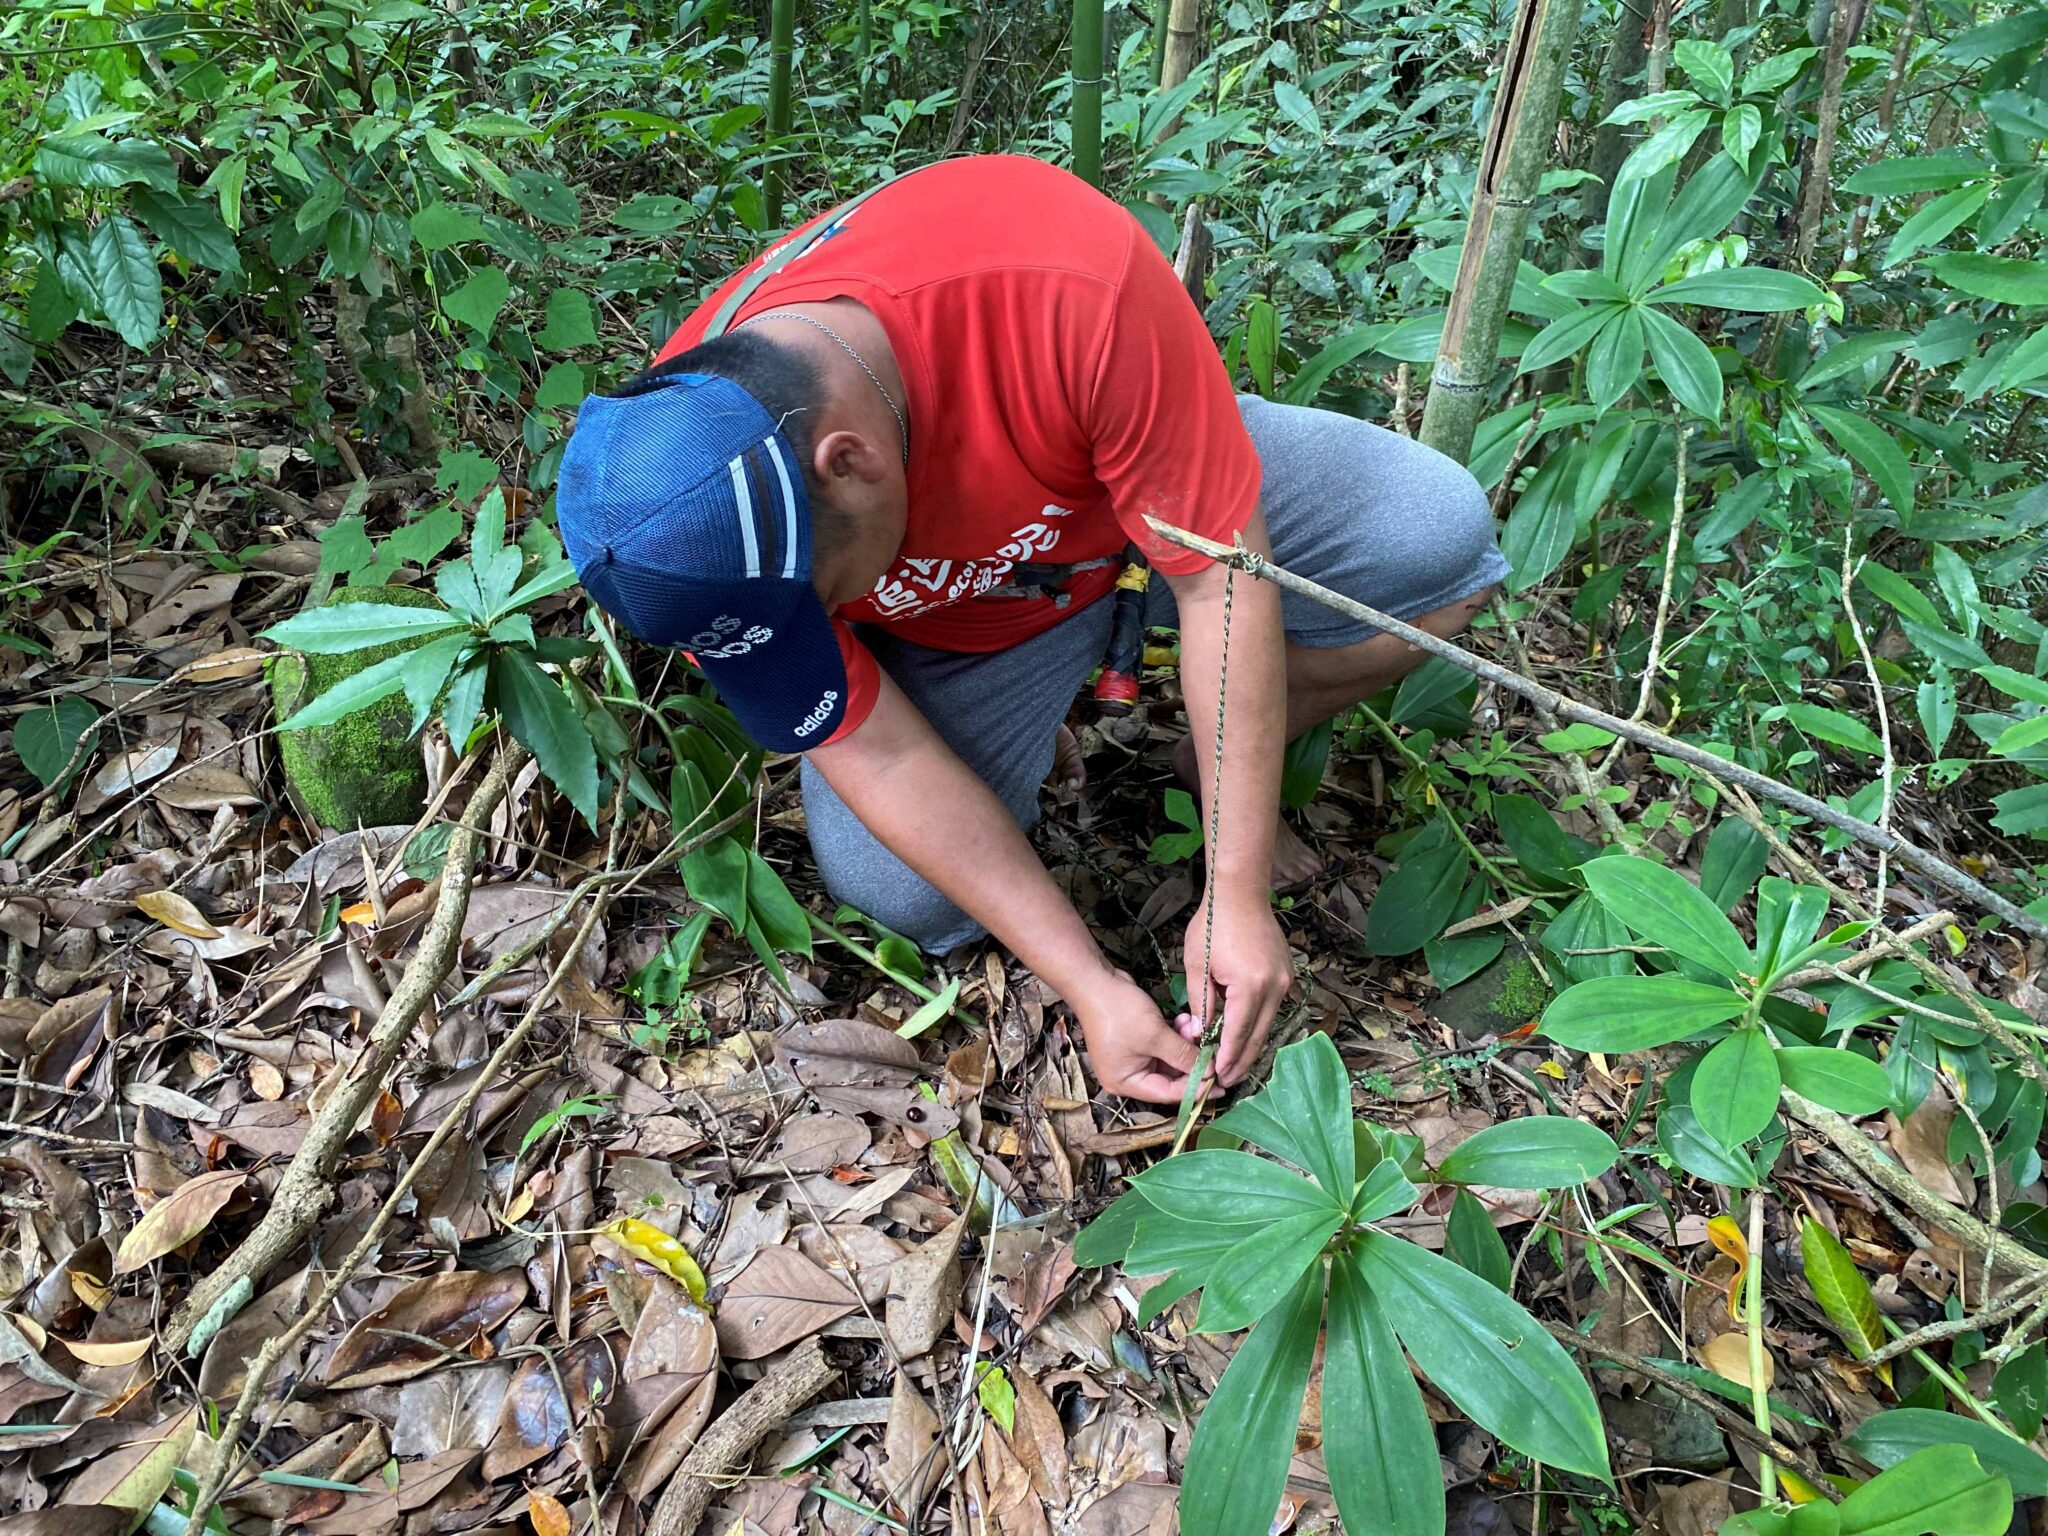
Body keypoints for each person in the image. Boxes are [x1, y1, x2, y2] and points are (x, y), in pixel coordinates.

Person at [556, 155, 1507, 1105]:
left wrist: (1235, 885)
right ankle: (1057, 703)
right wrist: (1088, 983)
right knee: (904, 893)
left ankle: (1203, 758)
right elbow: (873, 752)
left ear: (850, 464)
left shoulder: (1058, 282)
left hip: (1132, 504)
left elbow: (1223, 583)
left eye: (826, 596)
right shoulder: (679, 511)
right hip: (965, 622)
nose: (817, 623)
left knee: (1434, 540)